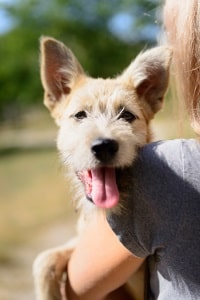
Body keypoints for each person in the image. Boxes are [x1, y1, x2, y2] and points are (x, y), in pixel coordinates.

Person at [63, 0, 200, 299]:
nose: (104, 135)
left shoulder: (166, 168)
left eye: (126, 115)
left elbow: (77, 287)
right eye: (80, 115)